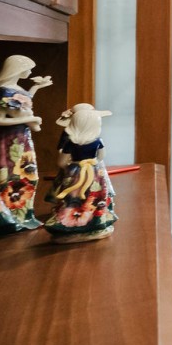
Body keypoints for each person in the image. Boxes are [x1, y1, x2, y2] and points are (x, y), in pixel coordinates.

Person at [0, 55, 53, 237]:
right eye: (28, 69)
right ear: (17, 69)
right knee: (5, 174)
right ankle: (1, 217)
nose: (30, 72)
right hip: (8, 139)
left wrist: (37, 87)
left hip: (23, 138)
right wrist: (30, 119)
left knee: (25, 175)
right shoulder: (3, 91)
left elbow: (22, 102)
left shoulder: (16, 89)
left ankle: (21, 215)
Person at [45, 103, 118, 243]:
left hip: (74, 172)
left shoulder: (70, 143)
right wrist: (93, 164)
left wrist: (70, 168)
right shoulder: (98, 141)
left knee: (73, 197)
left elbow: (61, 162)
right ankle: (93, 220)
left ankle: (72, 221)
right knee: (94, 196)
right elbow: (101, 156)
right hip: (94, 171)